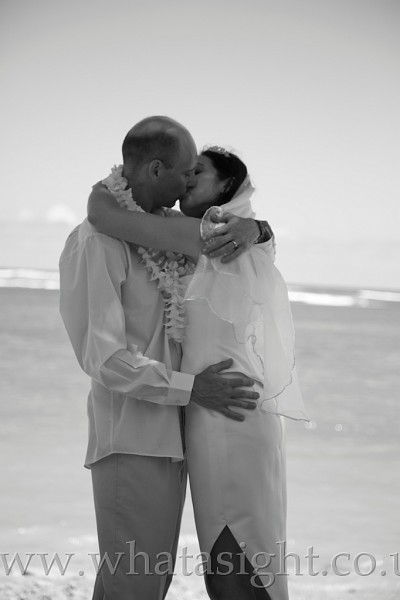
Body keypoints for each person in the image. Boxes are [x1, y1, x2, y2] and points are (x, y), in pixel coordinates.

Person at [59, 116, 268, 600]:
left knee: (142, 582)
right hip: (131, 439)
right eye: (186, 172)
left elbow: (244, 247)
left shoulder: (164, 230)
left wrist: (257, 227)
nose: (188, 183)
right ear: (156, 170)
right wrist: (194, 389)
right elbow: (105, 358)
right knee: (134, 585)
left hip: (172, 437)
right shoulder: (97, 241)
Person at [88, 144, 308, 599]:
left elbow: (106, 216)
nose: (187, 179)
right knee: (234, 553)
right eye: (186, 171)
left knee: (237, 550)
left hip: (229, 411)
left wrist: (103, 187)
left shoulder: (213, 234)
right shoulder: (229, 235)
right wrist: (259, 227)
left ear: (227, 186)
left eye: (199, 172)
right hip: (215, 408)